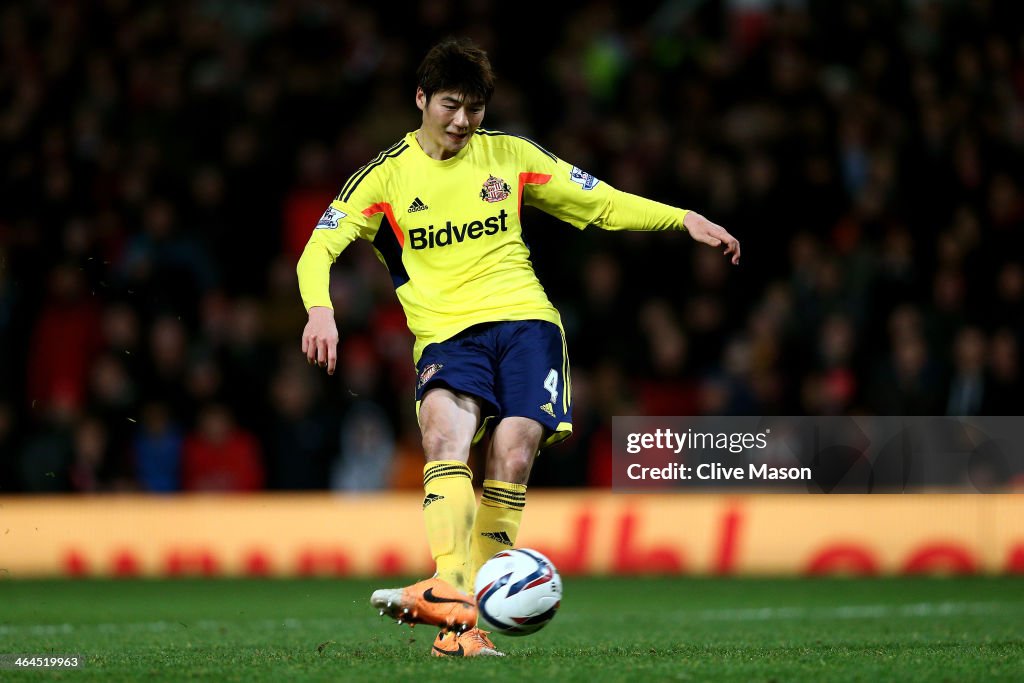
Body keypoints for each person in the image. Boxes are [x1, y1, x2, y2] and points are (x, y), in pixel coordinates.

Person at [296, 37, 740, 658]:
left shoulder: (510, 156)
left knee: (513, 452)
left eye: (474, 109)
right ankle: (450, 589)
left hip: (526, 325)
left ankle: (463, 628)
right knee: (443, 437)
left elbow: (602, 203)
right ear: (420, 99)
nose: (461, 121)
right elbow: (318, 249)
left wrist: (681, 217)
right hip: (447, 336)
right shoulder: (385, 177)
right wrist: (321, 308)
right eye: (450, 105)